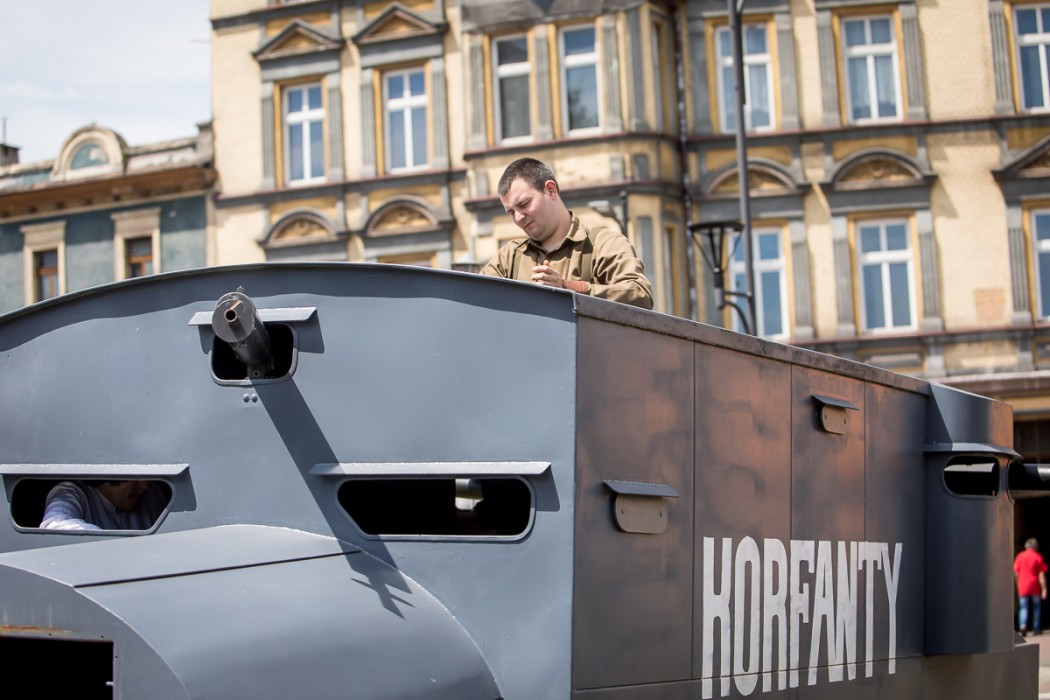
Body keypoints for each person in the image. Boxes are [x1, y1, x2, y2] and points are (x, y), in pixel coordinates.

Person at [480, 158, 654, 310]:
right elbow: (473, 298)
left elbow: (640, 294)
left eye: (524, 204)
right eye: (511, 212)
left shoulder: (604, 245)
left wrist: (568, 288)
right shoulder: (509, 258)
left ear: (550, 190)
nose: (518, 217)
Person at [40, 480, 167, 531]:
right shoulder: (71, 493)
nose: (145, 485)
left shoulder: (152, 494)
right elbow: (55, 524)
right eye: (138, 477)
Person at [1014, 537, 1048, 636]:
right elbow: (1041, 575)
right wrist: (1044, 589)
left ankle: (1023, 625)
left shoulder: (1020, 556)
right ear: (1036, 546)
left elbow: (1016, 573)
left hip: (1023, 586)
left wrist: (1017, 585)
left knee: (1023, 607)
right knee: (1036, 607)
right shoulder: (1037, 557)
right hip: (1035, 586)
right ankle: (1036, 628)